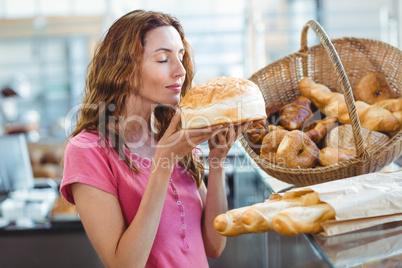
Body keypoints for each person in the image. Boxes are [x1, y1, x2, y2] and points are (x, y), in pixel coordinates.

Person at [60, 9, 256, 268]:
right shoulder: (86, 151)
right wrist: (163, 163)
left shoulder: (175, 135)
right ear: (125, 70)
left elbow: (214, 245)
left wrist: (217, 161)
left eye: (181, 57)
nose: (180, 71)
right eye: (163, 59)